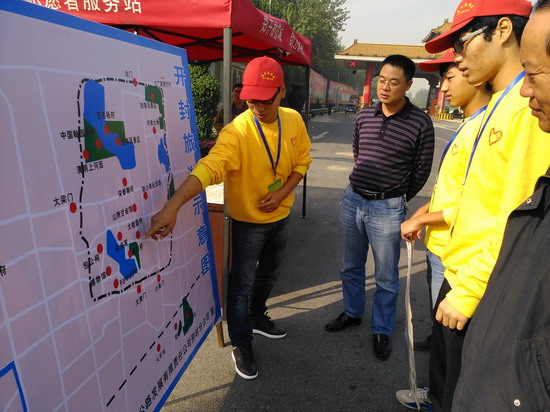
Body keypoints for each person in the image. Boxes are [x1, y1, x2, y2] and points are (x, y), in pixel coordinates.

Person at [144, 56, 312, 380]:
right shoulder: (236, 132)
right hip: (248, 224)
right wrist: (174, 204)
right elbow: (210, 167)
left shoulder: (293, 120)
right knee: (240, 285)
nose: (257, 107)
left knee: (269, 274)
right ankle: (241, 342)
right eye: (251, 100)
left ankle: (257, 316)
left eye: (265, 100)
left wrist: (282, 193)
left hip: (281, 216)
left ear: (281, 93)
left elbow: (302, 162)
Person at [422, 0, 550, 409]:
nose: (457, 59)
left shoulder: (529, 109)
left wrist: (469, 290)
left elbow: (517, 214)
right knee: (445, 388)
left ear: (503, 31)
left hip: (480, 286)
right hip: (462, 273)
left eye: (461, 43)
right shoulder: (499, 103)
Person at [395, 49, 491, 410]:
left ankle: (442, 400)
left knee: (453, 342)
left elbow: (480, 203)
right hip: (444, 246)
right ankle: (437, 394)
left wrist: (421, 219)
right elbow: (454, 191)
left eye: (450, 77)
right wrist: (426, 211)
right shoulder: (471, 122)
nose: (443, 88)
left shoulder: (488, 128)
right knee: (442, 335)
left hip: (461, 258)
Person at [324, 55, 435, 361]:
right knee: (350, 266)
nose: (385, 87)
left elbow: (421, 169)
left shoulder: (420, 123)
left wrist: (396, 196)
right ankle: (352, 312)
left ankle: (381, 329)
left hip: (388, 207)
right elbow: (358, 153)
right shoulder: (364, 116)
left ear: (408, 85)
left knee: (386, 275)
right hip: (353, 200)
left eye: (393, 82)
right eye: (381, 80)